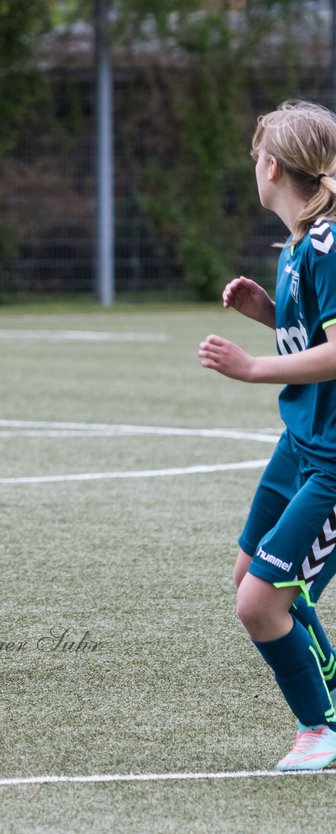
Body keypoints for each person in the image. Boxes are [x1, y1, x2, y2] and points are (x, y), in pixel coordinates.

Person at [199, 99, 336, 771]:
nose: (253, 167)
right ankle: (331, 697)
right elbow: (312, 335)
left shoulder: (329, 245)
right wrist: (269, 313)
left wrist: (253, 368)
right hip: (302, 444)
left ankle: (322, 725)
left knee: (262, 604)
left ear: (273, 165)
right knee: (250, 576)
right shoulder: (298, 246)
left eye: (255, 158)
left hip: (333, 460)